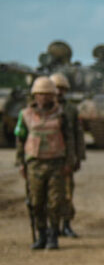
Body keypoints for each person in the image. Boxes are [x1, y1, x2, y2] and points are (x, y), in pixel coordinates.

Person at [14, 76, 77, 250]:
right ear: (34, 96)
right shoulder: (25, 115)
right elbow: (20, 139)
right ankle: (41, 234)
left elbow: (69, 139)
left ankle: (53, 236)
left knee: (55, 202)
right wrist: (20, 162)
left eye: (48, 94)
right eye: (40, 94)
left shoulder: (61, 114)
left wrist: (69, 162)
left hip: (56, 163)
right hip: (34, 164)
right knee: (36, 202)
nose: (44, 98)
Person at [50, 72, 85, 238]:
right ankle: (52, 226)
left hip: (66, 157)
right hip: (48, 156)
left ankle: (66, 224)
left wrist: (79, 156)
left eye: (62, 88)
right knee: (49, 194)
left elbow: (78, 133)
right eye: (56, 88)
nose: (58, 92)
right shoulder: (38, 108)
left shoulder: (70, 109)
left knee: (67, 192)